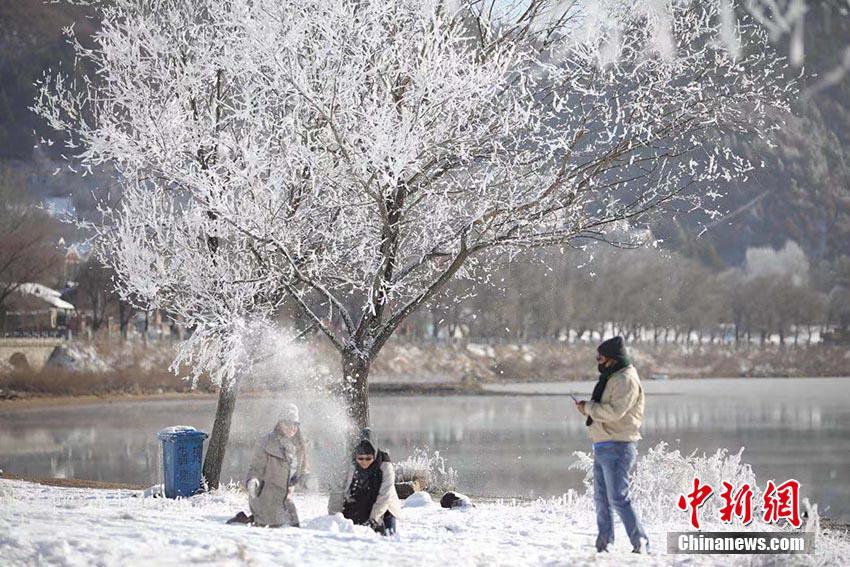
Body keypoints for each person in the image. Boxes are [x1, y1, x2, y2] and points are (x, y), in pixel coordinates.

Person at [575, 336, 649, 553]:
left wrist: (588, 408)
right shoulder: (613, 376)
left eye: (601, 357)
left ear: (613, 359)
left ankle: (640, 541)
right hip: (603, 444)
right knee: (601, 498)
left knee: (618, 497)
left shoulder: (625, 380)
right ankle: (604, 542)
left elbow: (614, 412)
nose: (598, 362)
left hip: (618, 445)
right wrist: (587, 408)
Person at [230, 403, 309, 527]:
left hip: (285, 501)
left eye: (295, 424)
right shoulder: (267, 443)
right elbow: (256, 468)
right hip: (265, 498)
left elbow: (301, 471)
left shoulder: (299, 446)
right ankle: (247, 520)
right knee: (273, 531)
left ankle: (250, 519)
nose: (291, 427)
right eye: (287, 423)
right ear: (279, 423)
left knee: (294, 529)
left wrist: (305, 477)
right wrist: (253, 481)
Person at [328, 429, 402, 536]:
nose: (364, 462)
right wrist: (334, 518)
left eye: (368, 458)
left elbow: (385, 495)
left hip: (382, 507)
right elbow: (337, 491)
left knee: (388, 535)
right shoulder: (348, 464)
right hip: (356, 501)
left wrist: (373, 519)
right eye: (360, 458)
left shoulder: (385, 465)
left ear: (375, 454)